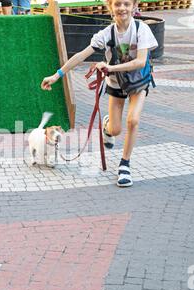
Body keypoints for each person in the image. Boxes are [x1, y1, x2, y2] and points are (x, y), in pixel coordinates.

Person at [41, 0, 157, 188]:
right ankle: (107, 127)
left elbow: (140, 62)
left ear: (134, 6)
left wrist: (110, 66)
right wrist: (57, 75)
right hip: (116, 83)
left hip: (138, 82)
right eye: (117, 4)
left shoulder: (141, 29)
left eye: (126, 4)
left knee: (133, 120)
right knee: (116, 129)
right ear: (110, 7)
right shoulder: (107, 34)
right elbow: (81, 55)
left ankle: (124, 165)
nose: (122, 8)